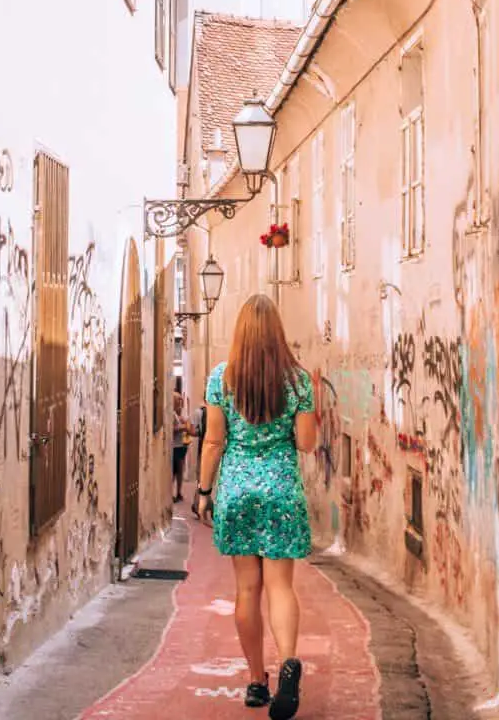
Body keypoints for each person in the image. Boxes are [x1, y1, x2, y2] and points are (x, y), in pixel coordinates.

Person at [197, 294, 317, 720]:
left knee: (247, 590)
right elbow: (305, 443)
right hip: (282, 489)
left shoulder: (221, 378)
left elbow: (213, 441)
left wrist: (203, 491)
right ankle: (288, 663)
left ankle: (254, 680)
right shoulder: (299, 381)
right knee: (282, 586)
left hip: (237, 490)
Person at [190, 398, 212, 519]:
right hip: (217, 450)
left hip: (203, 449)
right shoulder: (220, 410)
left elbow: (191, 430)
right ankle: (198, 504)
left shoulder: (199, 412)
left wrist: (201, 433)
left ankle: (198, 504)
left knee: (201, 479)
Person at [172, 391, 190, 503]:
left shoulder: (178, 413)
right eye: (178, 399)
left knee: (179, 470)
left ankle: (178, 492)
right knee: (174, 471)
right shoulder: (172, 413)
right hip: (174, 446)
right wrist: (184, 427)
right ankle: (172, 493)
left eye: (180, 399)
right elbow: (173, 429)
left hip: (181, 445)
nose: (180, 401)